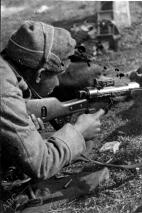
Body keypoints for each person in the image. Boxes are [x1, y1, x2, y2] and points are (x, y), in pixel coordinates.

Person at [0, 21, 107, 185]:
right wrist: (78, 131)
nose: (57, 83)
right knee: (83, 143)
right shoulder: (5, 94)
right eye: (56, 76)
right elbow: (41, 165)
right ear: (40, 74)